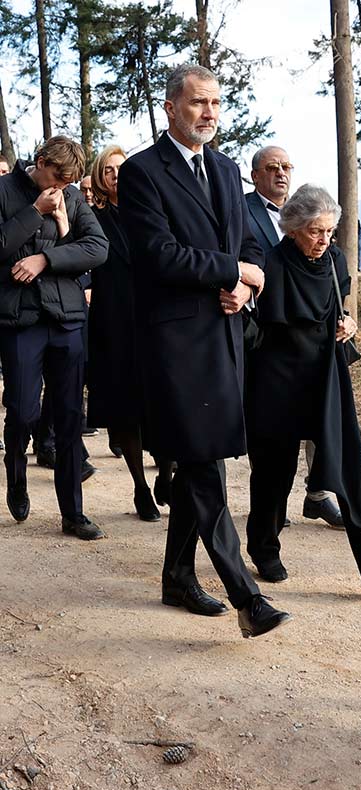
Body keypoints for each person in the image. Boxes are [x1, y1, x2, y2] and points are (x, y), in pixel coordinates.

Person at [119, 63, 291, 638]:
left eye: (216, 103)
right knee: (199, 460)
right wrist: (231, 270)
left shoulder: (224, 169)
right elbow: (158, 255)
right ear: (171, 108)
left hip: (225, 335)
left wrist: (245, 281)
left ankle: (176, 576)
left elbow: (249, 245)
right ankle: (246, 596)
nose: (210, 113)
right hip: (173, 341)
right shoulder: (143, 172)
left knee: (204, 455)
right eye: (198, 103)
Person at [243, 184, 361, 593]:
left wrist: (349, 322)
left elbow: (337, 306)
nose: (324, 240)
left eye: (329, 231)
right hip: (276, 381)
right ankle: (264, 548)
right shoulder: (270, 264)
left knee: (352, 467)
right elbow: (254, 325)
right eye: (315, 231)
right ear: (292, 229)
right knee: (275, 473)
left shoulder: (335, 261)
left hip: (326, 377)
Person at [0, 135, 107, 538]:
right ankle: (16, 471)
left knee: (67, 419)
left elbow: (98, 248)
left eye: (70, 180)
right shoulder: (5, 190)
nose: (62, 186)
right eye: (58, 177)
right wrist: (33, 212)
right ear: (40, 161)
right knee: (24, 411)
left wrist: (47, 257)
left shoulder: (74, 196)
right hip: (20, 318)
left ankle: (73, 514)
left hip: (67, 318)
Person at [244, 144, 344, 528]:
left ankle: (317, 494)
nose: (281, 173)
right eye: (272, 167)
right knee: (274, 450)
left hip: (318, 354)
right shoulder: (245, 213)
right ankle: (270, 513)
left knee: (324, 430)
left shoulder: (322, 233)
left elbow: (335, 295)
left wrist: (346, 321)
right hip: (273, 343)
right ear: (256, 175)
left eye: (287, 166)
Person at [83, 145, 164, 522]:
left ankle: (165, 471)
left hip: (155, 320)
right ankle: (140, 487)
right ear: (100, 177)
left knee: (163, 406)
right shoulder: (92, 217)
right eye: (109, 170)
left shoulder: (150, 212)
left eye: (122, 169)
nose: (116, 176)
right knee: (126, 411)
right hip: (113, 321)